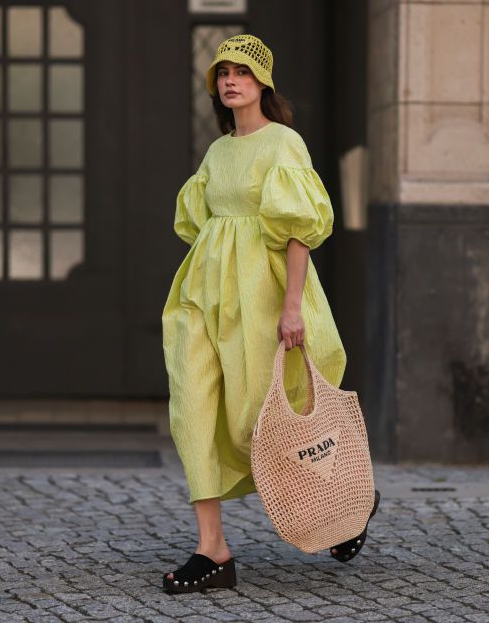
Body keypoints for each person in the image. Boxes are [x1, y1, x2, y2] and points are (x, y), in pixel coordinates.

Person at [160, 34, 376, 595]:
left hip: (263, 293)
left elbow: (300, 229)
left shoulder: (283, 143)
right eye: (223, 73)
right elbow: (198, 221)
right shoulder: (218, 150)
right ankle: (213, 552)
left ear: (263, 83)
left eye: (243, 73)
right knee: (192, 408)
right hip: (204, 292)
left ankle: (343, 496)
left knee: (265, 412)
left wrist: (291, 305)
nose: (231, 81)